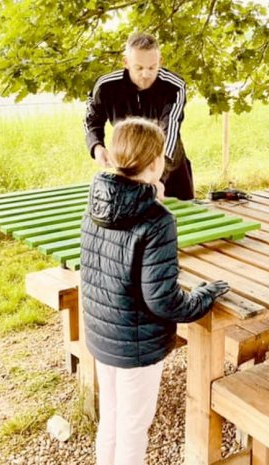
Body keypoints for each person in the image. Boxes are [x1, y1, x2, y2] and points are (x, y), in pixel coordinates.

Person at [80, 117, 230, 465]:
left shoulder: (96, 201)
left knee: (113, 419)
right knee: (133, 427)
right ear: (155, 163)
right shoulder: (157, 219)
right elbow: (163, 300)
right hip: (136, 342)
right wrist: (204, 297)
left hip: (102, 331)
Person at [84, 32, 195, 200]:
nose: (146, 74)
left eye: (152, 67)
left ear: (160, 61)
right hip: (128, 169)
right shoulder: (105, 87)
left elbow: (170, 131)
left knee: (187, 220)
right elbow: (91, 120)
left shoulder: (174, 86)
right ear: (126, 62)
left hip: (169, 166)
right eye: (139, 68)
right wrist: (96, 147)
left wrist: (157, 178)